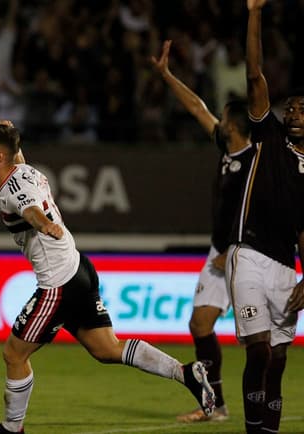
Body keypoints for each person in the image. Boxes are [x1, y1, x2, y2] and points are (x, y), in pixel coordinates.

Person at [0, 121, 215, 434]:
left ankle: (11, 429)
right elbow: (21, 181)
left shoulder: (13, 192)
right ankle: (186, 373)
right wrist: (12, 137)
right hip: (78, 269)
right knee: (106, 349)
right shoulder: (24, 171)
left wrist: (44, 224)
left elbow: (28, 208)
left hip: (58, 285)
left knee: (14, 354)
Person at [151, 39, 254, 423]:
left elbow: (266, 210)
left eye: (224, 119)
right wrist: (167, 76)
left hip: (250, 255)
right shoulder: (228, 151)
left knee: (263, 338)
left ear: (235, 126)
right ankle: (217, 405)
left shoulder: (256, 163)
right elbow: (197, 107)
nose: (218, 122)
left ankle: (262, 407)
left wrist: (242, 245)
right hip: (219, 253)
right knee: (199, 324)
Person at [227, 1, 304, 433]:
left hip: (285, 268)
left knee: (277, 361)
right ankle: (253, 429)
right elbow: (255, 75)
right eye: (289, 107)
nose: (291, 112)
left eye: (300, 109)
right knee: (257, 352)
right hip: (250, 253)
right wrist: (254, 12)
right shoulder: (269, 136)